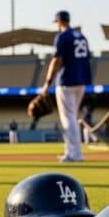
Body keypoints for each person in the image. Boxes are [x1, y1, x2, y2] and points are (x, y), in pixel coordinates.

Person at [40, 11, 92, 163]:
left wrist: (47, 83)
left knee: (68, 118)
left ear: (60, 21)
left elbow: (57, 60)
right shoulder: (81, 36)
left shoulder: (62, 37)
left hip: (66, 81)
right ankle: (73, 152)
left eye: (56, 22)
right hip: (81, 80)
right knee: (72, 117)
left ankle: (74, 154)